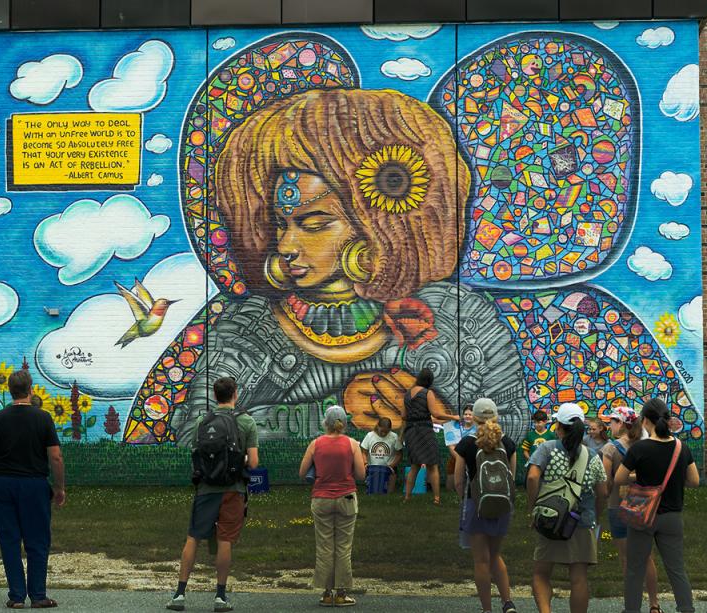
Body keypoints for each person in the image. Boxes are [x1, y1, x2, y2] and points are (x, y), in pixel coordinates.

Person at [147, 88, 529, 447]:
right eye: (281, 224)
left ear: (376, 225)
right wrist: (336, 414)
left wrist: (428, 420)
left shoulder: (460, 319)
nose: (286, 247)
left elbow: (515, 423)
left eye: (313, 225)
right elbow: (194, 435)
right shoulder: (247, 329)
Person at [168, 377, 259, 613]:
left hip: (206, 488)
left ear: (214, 395)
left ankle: (179, 594)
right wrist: (241, 460)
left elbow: (197, 452)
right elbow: (254, 462)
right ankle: (220, 596)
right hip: (233, 488)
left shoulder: (202, 420)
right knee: (225, 539)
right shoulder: (246, 421)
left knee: (193, 537)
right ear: (235, 394)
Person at [0, 369, 66, 609]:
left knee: (9, 540)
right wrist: (59, 488)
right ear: (31, 389)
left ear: (9, 390)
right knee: (37, 541)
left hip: (4, 483)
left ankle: (16, 596)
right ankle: (38, 595)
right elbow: (56, 457)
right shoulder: (43, 418)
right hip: (35, 485)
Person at [615, 398, 699, 613]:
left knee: (635, 568)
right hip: (672, 516)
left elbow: (619, 478)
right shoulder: (682, 447)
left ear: (644, 421)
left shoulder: (640, 449)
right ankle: (686, 608)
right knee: (676, 569)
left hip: (643, 515)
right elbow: (694, 480)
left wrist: (637, 477)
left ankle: (632, 609)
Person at [525, 403, 607, 613]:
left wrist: (532, 507)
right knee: (578, 579)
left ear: (558, 426)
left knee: (541, 573)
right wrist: (596, 517)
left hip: (550, 519)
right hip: (581, 520)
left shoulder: (547, 448)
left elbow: (533, 477)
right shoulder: (592, 456)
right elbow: (603, 492)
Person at [453, 398, 519, 613]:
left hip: (476, 504)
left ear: (475, 417)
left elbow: (458, 480)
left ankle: (487, 609)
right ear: (496, 417)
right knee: (496, 555)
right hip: (502, 505)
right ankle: (507, 602)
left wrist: (463, 498)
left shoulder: (467, 444)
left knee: (481, 560)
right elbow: (512, 476)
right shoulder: (508, 443)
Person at [298, 405, 365, 607]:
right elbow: (361, 475)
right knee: (343, 547)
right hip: (346, 498)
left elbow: (302, 473)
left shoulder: (315, 444)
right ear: (344, 423)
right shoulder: (352, 444)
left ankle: (327, 593)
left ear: (325, 423)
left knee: (325, 546)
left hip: (321, 499)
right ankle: (342, 593)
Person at [600, 406, 660, 613]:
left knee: (627, 560)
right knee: (646, 557)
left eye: (612, 421)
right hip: (643, 506)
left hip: (618, 507)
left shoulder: (610, 449)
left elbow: (606, 483)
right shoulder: (645, 445)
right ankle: (654, 604)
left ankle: (632, 606)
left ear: (621, 424)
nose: (609, 425)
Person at [402, 367, 458, 505]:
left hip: (410, 431)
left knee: (414, 465)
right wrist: (453, 416)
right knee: (432, 465)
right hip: (424, 432)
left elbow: (403, 416)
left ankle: (407, 497)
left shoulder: (408, 394)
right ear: (429, 381)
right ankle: (437, 498)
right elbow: (435, 413)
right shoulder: (427, 393)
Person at [359, 417, 401, 494]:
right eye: (382, 431)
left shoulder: (394, 437)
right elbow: (364, 452)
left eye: (386, 432)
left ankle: (389, 493)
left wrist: (392, 466)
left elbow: (399, 454)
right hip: (372, 468)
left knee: (389, 492)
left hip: (389, 469)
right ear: (378, 426)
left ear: (390, 429)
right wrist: (365, 463)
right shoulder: (370, 435)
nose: (383, 434)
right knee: (372, 491)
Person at [445, 406, 477, 491]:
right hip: (456, 456)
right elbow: (451, 446)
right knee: (450, 488)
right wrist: (460, 459)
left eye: (470, 414)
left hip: (473, 457)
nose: (467, 416)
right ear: (462, 416)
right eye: (465, 414)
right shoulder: (456, 429)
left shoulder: (477, 429)